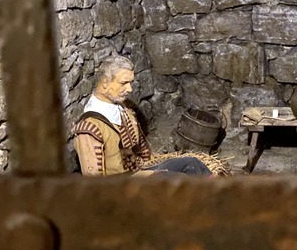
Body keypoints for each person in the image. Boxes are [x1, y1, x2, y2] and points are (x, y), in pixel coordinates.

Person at [73, 55, 212, 177]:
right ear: (105, 83)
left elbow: (141, 150)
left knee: (193, 164)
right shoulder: (89, 128)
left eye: (130, 83)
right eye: (123, 83)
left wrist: (153, 165)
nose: (129, 89)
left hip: (140, 172)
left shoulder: (123, 107)